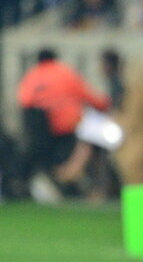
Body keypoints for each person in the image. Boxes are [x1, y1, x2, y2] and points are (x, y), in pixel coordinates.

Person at [15, 49, 111, 193]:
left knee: (44, 159)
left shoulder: (31, 76)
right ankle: (68, 184)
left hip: (39, 129)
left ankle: (28, 182)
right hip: (66, 127)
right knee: (72, 156)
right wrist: (105, 104)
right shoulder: (65, 72)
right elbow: (87, 95)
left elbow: (24, 101)